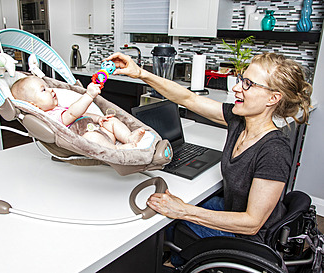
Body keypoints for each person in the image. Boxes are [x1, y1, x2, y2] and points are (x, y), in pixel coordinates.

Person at [106, 52, 312, 265]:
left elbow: (251, 223)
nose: (236, 87)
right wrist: (140, 73)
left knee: (167, 223)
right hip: (233, 211)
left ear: (273, 98)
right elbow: (188, 98)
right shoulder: (239, 121)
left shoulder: (274, 151)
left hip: (247, 239)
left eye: (248, 84)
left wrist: (184, 211)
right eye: (242, 79)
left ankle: (170, 262)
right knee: (173, 203)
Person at [11, 76, 145, 150]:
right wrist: (88, 95)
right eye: (44, 90)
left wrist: (99, 118)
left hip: (100, 131)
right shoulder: (51, 118)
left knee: (112, 121)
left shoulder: (59, 108)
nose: (51, 90)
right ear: (33, 105)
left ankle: (128, 138)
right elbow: (73, 114)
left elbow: (82, 115)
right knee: (91, 137)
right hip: (92, 139)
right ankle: (116, 150)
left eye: (48, 87)